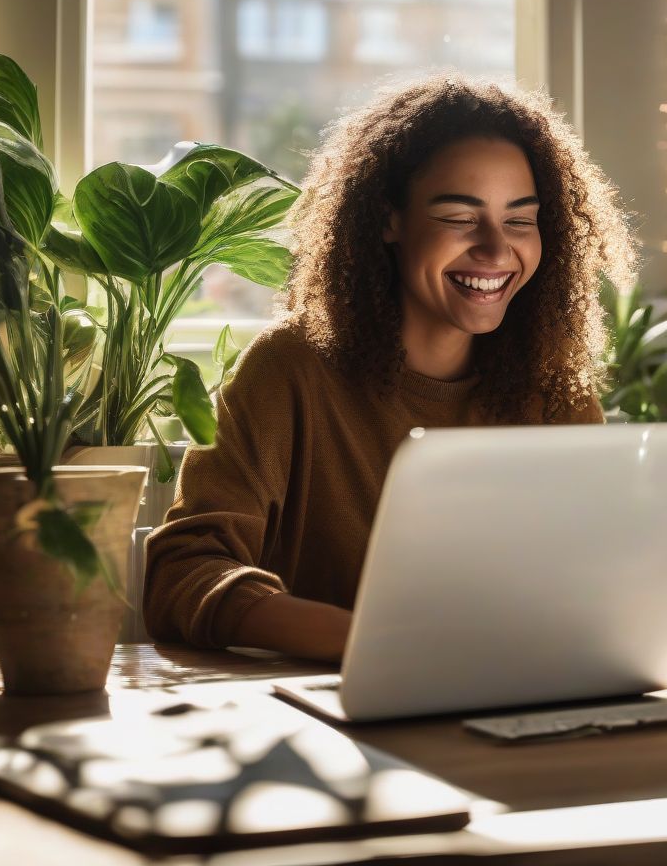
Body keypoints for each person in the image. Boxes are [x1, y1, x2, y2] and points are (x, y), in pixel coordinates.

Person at [142, 75, 638, 661]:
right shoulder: (289, 370)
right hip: (333, 715)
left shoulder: (553, 391)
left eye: (520, 220)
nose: (496, 249)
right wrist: (373, 645)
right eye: (460, 216)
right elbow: (183, 573)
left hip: (511, 695)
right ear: (388, 220)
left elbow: (591, 581)